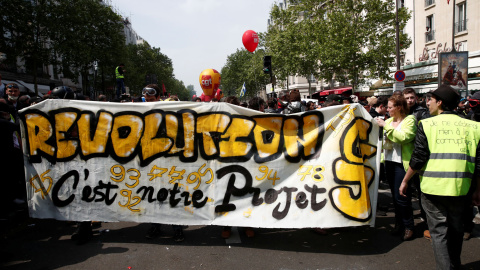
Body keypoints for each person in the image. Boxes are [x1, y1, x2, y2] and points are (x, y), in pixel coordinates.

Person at [400, 85, 480, 269]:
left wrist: (405, 181)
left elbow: (419, 157)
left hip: (432, 188)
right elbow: (479, 163)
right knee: (456, 229)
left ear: (440, 102)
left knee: (438, 232)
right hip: (462, 187)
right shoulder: (475, 126)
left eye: (430, 99)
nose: (427, 103)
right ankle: (455, 264)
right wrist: (478, 189)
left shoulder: (427, 124)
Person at [142, 84, 185, 242]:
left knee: (172, 196)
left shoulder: (169, 112)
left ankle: (177, 228)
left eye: (151, 99)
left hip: (170, 162)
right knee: (152, 197)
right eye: (146, 99)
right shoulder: (141, 112)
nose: (148, 101)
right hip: (150, 163)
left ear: (158, 98)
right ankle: (155, 226)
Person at [375, 94, 416, 241]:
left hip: (401, 164)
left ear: (399, 107)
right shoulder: (389, 120)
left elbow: (404, 137)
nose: (387, 109)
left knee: (402, 196)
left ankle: (409, 226)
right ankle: (400, 224)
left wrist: (385, 126)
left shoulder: (409, 120)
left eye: (390, 107)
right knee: (395, 197)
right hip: (389, 162)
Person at [403, 88, 430, 239]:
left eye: (412, 97)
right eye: (407, 98)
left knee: (422, 191)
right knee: (406, 191)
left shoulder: (422, 112)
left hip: (417, 157)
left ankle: (426, 223)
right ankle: (408, 224)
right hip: (407, 157)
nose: (410, 100)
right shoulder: (402, 111)